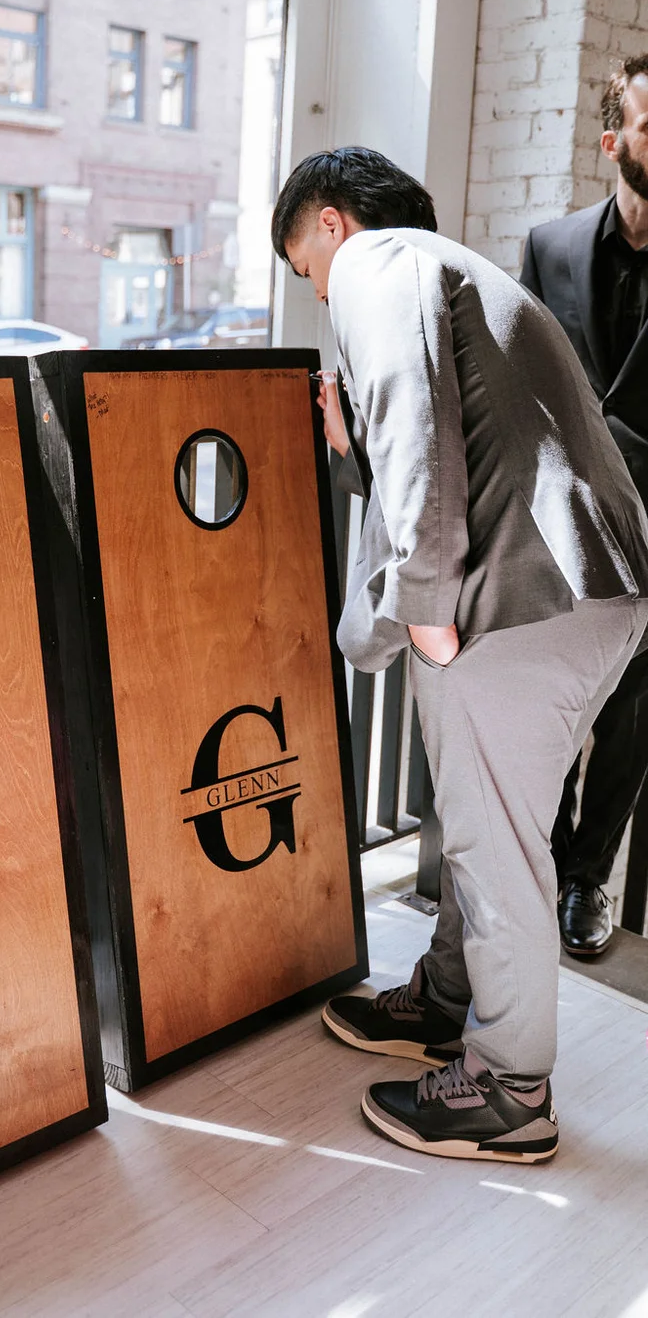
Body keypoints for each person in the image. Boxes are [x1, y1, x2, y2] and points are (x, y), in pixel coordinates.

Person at [272, 145, 648, 1163]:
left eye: (305, 268)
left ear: (330, 221)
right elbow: (453, 436)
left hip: (516, 609)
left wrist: (424, 614)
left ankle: (508, 1093)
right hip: (583, 593)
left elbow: (410, 424)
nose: (317, 290)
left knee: (494, 851)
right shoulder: (455, 268)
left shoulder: (375, 264)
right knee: (493, 826)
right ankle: (447, 1002)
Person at [520, 54, 648, 959]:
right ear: (615, 141)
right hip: (563, 535)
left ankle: (586, 879)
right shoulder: (551, 246)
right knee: (554, 705)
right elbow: (523, 379)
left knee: (633, 717)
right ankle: (545, 859)